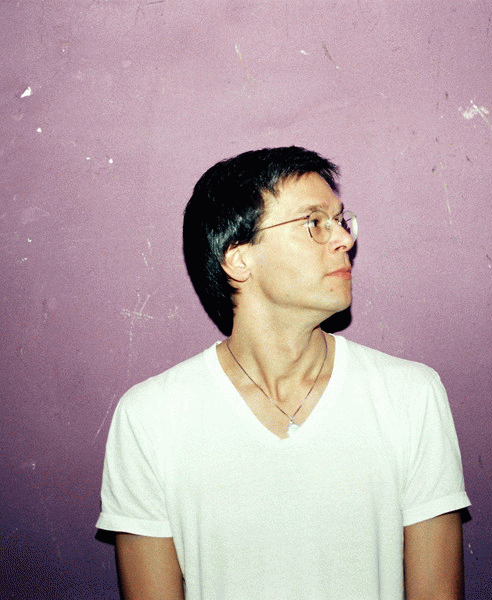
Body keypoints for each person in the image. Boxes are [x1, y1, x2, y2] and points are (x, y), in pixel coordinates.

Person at [96, 146, 470, 600]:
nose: (344, 239)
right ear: (239, 258)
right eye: (314, 222)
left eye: (340, 220)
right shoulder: (151, 417)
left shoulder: (410, 395)